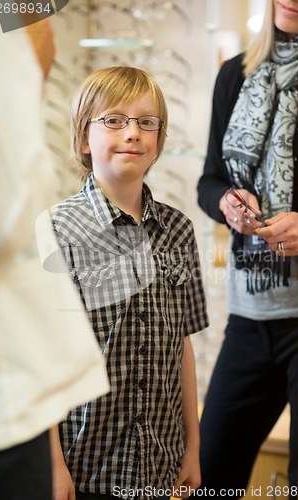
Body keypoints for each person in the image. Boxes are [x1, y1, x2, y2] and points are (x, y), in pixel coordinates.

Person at [49, 66, 209, 500]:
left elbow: (183, 346)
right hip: (83, 465)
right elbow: (40, 354)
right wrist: (52, 464)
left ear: (159, 140)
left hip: (161, 464)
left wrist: (193, 448)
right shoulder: (58, 229)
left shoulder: (178, 231)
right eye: (114, 120)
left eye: (146, 121)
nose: (133, 132)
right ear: (85, 139)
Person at [0, 9, 109, 500]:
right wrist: (28, 57)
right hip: (14, 410)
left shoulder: (173, 228)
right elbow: (5, 212)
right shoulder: (59, 225)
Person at [197, 0, 298, 498]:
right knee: (209, 477)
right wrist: (227, 201)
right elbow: (208, 181)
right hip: (248, 316)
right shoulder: (233, 75)